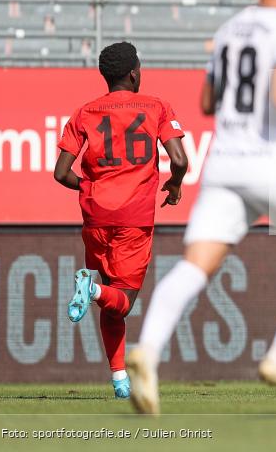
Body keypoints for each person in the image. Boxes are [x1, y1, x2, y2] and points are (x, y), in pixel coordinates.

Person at [127, 0, 276, 415]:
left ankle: (148, 348)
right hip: (271, 161)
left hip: (223, 161)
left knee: (195, 264)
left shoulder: (227, 30)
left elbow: (206, 101)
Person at [53, 41, 188, 399]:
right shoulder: (156, 106)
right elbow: (180, 159)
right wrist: (174, 185)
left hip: (95, 216)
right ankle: (91, 289)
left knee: (113, 305)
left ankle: (119, 380)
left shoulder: (84, 113)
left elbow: (60, 173)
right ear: (134, 73)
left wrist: (91, 188)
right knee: (123, 299)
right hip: (134, 218)